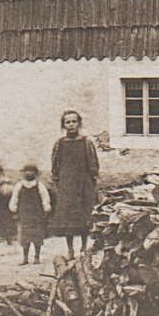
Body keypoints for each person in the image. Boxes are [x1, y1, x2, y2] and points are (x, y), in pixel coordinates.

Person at [50, 109, 100, 257]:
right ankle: (70, 248)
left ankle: (84, 247)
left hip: (84, 185)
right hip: (67, 186)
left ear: (79, 123)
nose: (71, 125)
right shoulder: (60, 144)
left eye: (74, 121)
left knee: (84, 216)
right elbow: (55, 164)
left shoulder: (86, 142)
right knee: (68, 218)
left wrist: (93, 180)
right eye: (68, 122)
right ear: (63, 125)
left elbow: (93, 163)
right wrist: (57, 181)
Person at [9, 163, 52, 265]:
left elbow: (45, 198)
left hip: (37, 215)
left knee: (37, 236)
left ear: (35, 174)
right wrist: (14, 209)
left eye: (31, 171)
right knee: (25, 237)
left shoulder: (39, 186)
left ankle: (37, 257)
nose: (29, 173)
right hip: (24, 215)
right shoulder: (19, 186)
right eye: (26, 171)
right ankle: (25, 258)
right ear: (23, 173)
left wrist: (46, 209)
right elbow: (14, 199)